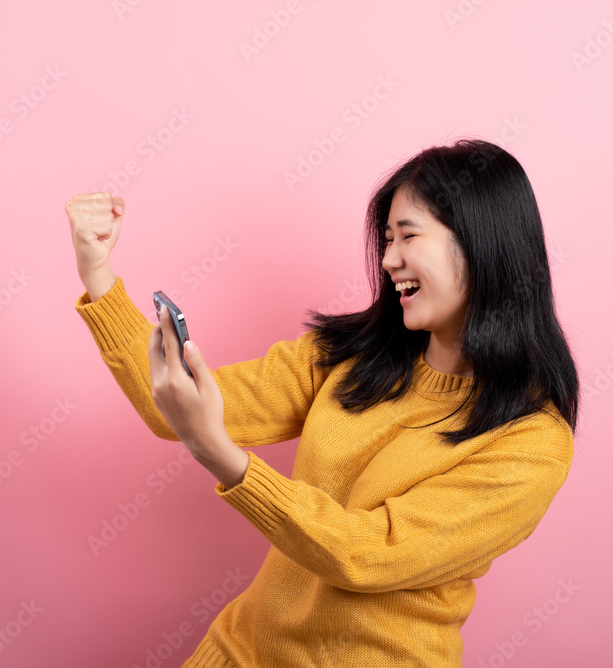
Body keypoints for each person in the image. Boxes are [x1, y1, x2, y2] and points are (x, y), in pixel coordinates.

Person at [66, 138, 580, 667]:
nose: (388, 260)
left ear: (482, 245)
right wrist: (98, 275)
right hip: (239, 652)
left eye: (407, 237)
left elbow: (367, 554)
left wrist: (224, 458)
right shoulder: (352, 356)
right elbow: (171, 409)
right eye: (385, 240)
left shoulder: (531, 442)